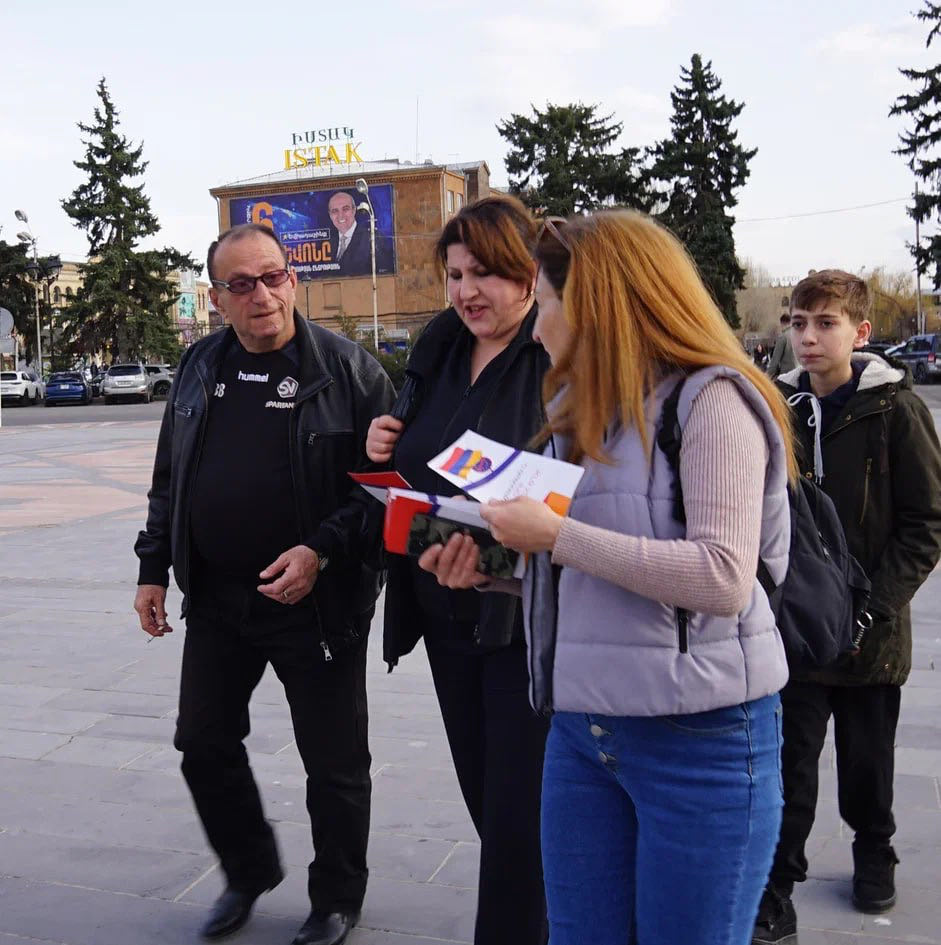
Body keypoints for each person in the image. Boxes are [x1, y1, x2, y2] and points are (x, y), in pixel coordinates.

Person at [423, 209, 798, 945]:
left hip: (700, 740)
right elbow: (583, 568)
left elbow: (723, 578)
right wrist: (493, 569)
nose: (536, 329)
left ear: (599, 304)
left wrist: (555, 535)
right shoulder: (578, 409)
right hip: (581, 733)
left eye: (547, 304)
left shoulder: (712, 401)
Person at [134, 223, 394, 945]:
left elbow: (382, 492)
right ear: (217, 298)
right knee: (202, 742)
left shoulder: (348, 371)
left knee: (334, 763)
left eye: (273, 277)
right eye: (242, 284)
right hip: (219, 599)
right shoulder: (198, 366)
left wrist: (319, 552)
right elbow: (170, 477)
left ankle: (336, 897)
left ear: (293, 279)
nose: (263, 295)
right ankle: (248, 871)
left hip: (319, 604)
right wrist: (153, 568)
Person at [365, 195, 551, 945]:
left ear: (529, 273)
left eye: (485, 274)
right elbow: (420, 453)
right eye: (454, 274)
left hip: (522, 626)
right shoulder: (440, 346)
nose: (467, 291)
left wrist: (496, 556)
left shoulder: (555, 352)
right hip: (444, 614)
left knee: (516, 826)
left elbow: (576, 498)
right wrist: (385, 443)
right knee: (488, 807)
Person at [752, 270, 941, 944]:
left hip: (871, 634)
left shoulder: (895, 411)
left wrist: (873, 608)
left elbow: (925, 524)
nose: (807, 337)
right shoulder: (774, 406)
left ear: (859, 332)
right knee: (788, 767)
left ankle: (874, 849)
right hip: (797, 627)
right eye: (797, 323)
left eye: (824, 323)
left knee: (867, 761)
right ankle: (775, 888)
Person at [327, 191, 371, 276]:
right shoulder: (326, 242)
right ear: (330, 215)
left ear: (354, 210)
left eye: (345, 209)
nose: (341, 216)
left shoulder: (371, 238)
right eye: (335, 211)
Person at [767, 312, 797, 378]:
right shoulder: (799, 335)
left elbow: (775, 360)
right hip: (799, 373)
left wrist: (767, 375)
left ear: (782, 323)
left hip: (787, 375)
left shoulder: (783, 337)